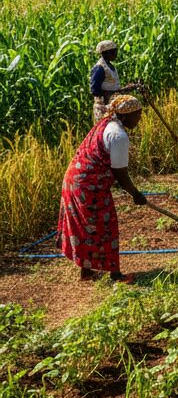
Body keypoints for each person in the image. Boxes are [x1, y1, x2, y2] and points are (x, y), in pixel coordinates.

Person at [58, 95, 147, 283]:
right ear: (125, 115)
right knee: (106, 227)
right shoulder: (118, 136)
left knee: (88, 228)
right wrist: (136, 194)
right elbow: (120, 174)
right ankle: (116, 275)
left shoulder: (107, 123)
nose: (139, 119)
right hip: (87, 186)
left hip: (75, 180)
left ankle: (87, 273)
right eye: (137, 115)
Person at [89, 40, 140, 122]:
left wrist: (124, 89)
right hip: (103, 107)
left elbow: (111, 87)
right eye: (113, 52)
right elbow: (94, 90)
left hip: (112, 104)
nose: (116, 54)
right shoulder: (99, 68)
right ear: (105, 53)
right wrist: (111, 95)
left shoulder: (110, 66)